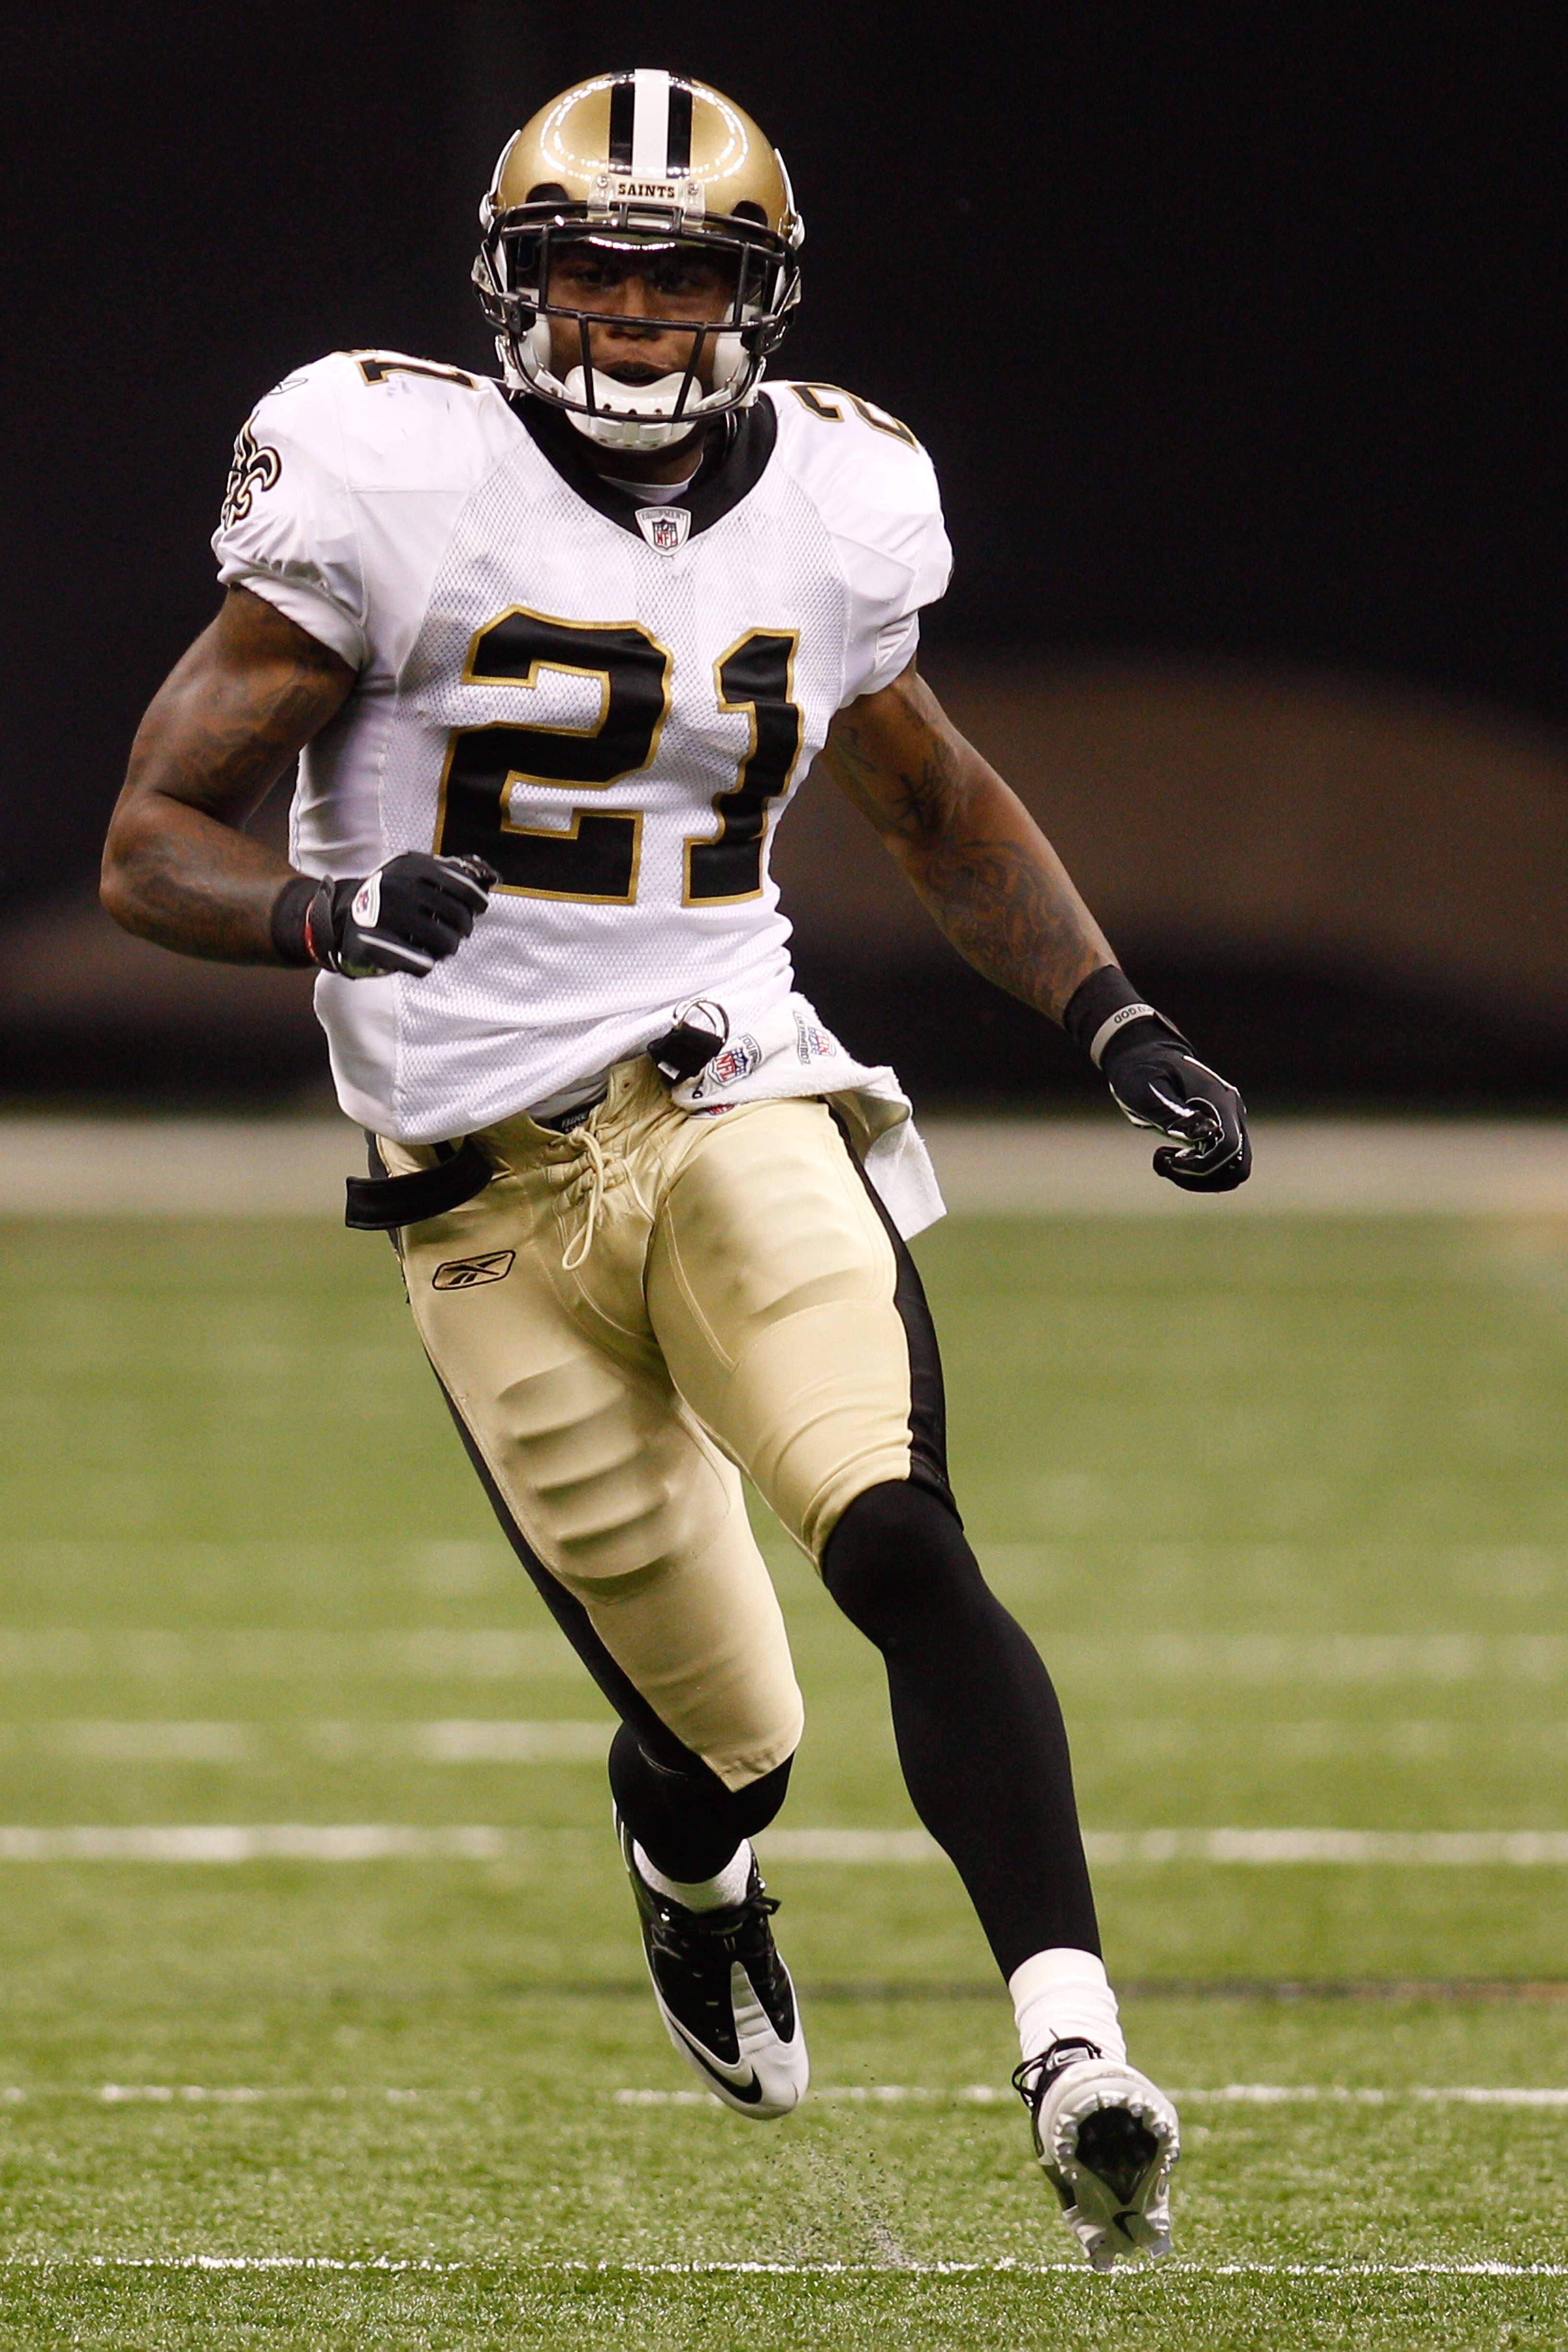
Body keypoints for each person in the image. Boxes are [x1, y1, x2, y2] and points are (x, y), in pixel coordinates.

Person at [101, 70, 1250, 2271]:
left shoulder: (836, 497)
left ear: (754, 296)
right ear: (519, 283)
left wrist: (1118, 1018)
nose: (633, 313)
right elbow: (149, 843)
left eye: (681, 271)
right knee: (729, 1738)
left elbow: (936, 807)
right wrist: (315, 915)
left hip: (729, 1085)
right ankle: (699, 1879)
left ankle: (1073, 2045)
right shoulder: (386, 475)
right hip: (479, 1199)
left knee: (900, 1534)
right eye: (593, 268)